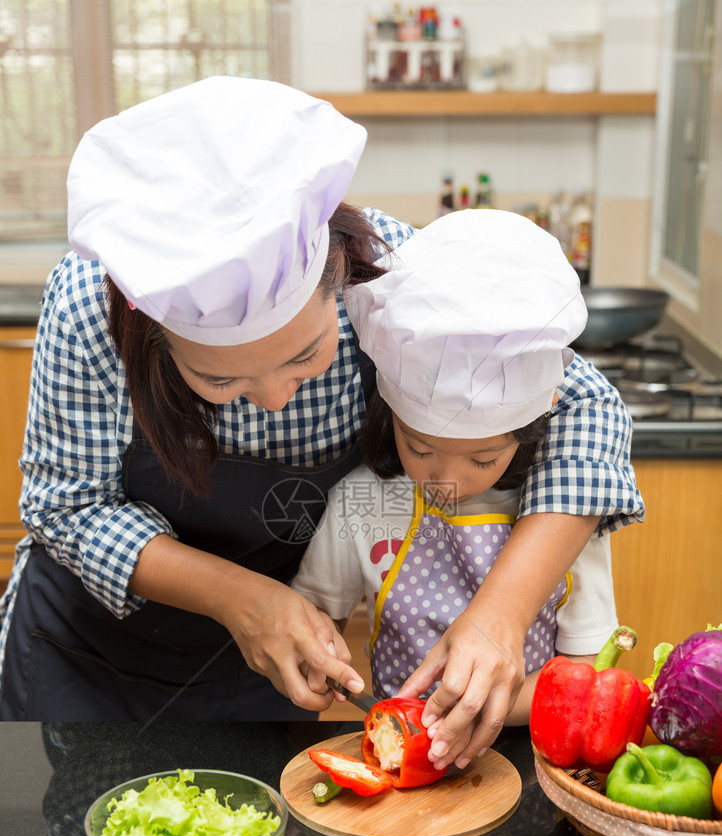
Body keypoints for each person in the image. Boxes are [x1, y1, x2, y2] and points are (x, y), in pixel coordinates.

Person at [0, 77, 643, 738]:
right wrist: (238, 597)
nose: (277, 398)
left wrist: (501, 613)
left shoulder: (397, 271)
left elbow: (587, 406)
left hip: (278, 664)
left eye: (306, 356)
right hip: (90, 664)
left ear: (341, 272)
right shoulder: (89, 306)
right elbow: (66, 508)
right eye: (220, 383)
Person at [292, 208, 622, 760]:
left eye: (483, 458)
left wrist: (448, 717)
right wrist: (317, 659)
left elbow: (588, 676)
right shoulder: (361, 501)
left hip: (540, 760)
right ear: (387, 417)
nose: (444, 479)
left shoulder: (563, 517)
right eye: (419, 447)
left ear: (525, 437)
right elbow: (317, 616)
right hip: (398, 752)